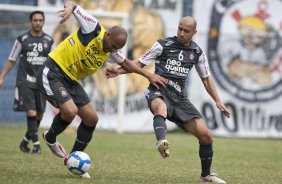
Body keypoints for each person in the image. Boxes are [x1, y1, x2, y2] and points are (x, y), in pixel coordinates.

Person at [36, 0, 167, 179]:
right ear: (108, 34)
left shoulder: (112, 49)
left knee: (91, 119)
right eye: (112, 45)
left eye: (116, 49)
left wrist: (148, 76)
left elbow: (127, 63)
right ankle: (50, 138)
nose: (111, 50)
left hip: (71, 80)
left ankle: (72, 159)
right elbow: (73, 4)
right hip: (53, 71)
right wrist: (68, 9)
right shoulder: (93, 27)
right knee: (70, 111)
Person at [106, 16, 231, 184]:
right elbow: (140, 62)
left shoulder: (197, 52)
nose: (181, 33)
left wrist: (217, 100)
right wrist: (119, 71)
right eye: (179, 28)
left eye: (186, 31)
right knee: (160, 108)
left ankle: (206, 175)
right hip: (158, 89)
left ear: (194, 33)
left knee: (206, 136)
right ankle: (161, 141)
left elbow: (206, 78)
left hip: (179, 98)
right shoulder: (162, 45)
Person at [0, 11, 54, 154]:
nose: (38, 22)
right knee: (31, 112)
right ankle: (36, 146)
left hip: (42, 82)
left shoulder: (49, 40)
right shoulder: (22, 39)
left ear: (43, 22)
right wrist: (2, 77)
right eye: (35, 20)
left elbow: (54, 62)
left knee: (39, 115)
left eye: (40, 20)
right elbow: (12, 59)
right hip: (25, 81)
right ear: (30, 22)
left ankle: (25, 142)